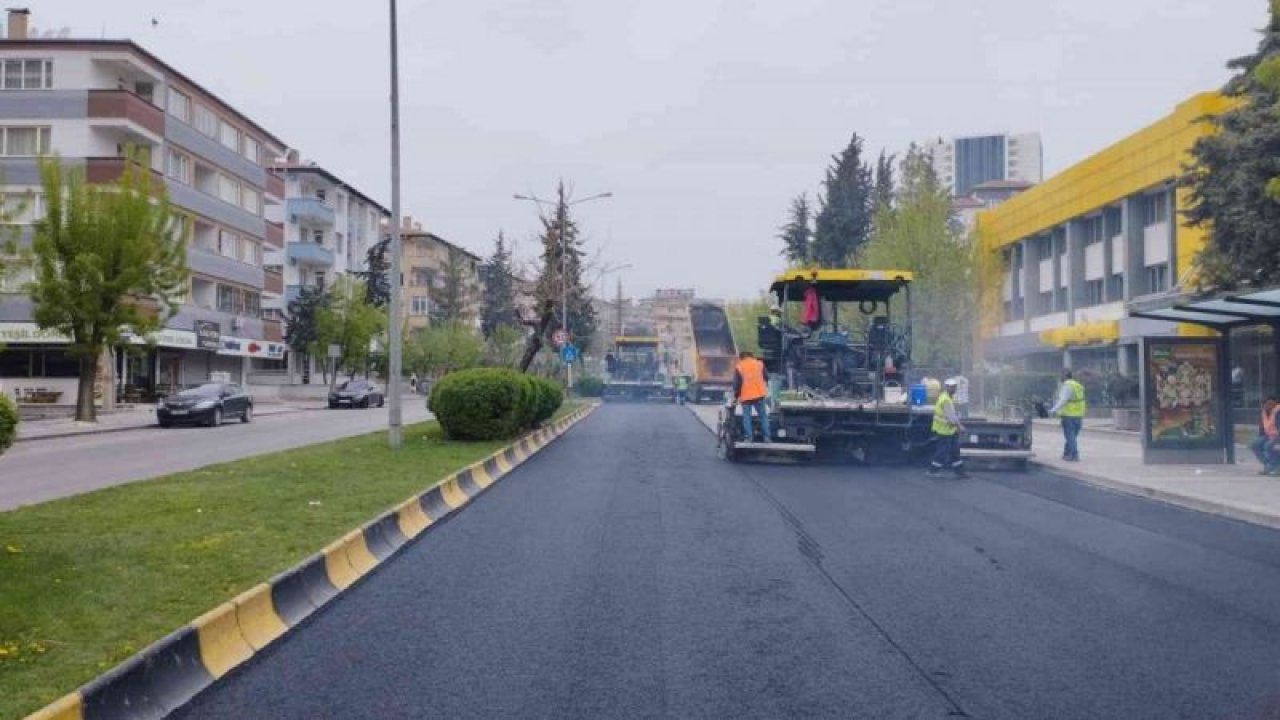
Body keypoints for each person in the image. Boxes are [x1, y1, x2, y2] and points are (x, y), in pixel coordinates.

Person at [928, 378, 967, 478]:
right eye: (951, 387)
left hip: (950, 430)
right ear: (946, 387)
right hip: (944, 429)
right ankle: (933, 470)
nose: (953, 388)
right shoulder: (945, 399)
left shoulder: (948, 397)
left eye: (954, 386)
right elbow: (950, 417)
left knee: (954, 450)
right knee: (943, 451)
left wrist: (957, 425)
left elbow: (952, 415)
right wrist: (959, 426)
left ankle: (959, 472)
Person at [1049, 369, 1087, 462]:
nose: (1060, 377)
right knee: (1072, 436)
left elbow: (1063, 400)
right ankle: (1067, 453)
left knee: (1070, 437)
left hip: (1069, 415)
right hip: (1079, 415)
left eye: (1061, 375)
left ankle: (1074, 455)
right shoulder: (1078, 385)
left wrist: (1052, 410)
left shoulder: (1067, 386)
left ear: (1065, 376)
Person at [733, 350, 771, 442]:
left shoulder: (739, 367)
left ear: (741, 358)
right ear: (752, 356)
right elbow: (767, 377)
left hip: (746, 396)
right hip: (759, 395)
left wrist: (736, 396)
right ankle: (766, 437)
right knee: (763, 416)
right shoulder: (759, 364)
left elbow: (737, 384)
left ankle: (749, 438)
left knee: (747, 417)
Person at [1250, 396, 1280, 475]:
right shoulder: (1263, 413)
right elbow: (1262, 428)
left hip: (1278, 436)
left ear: (1275, 404)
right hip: (1269, 435)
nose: (1269, 406)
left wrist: (1277, 441)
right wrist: (1261, 438)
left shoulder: (1278, 411)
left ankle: (1276, 466)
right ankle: (1268, 464)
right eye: (1267, 404)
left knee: (1268, 446)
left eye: (1271, 404)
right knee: (1254, 445)